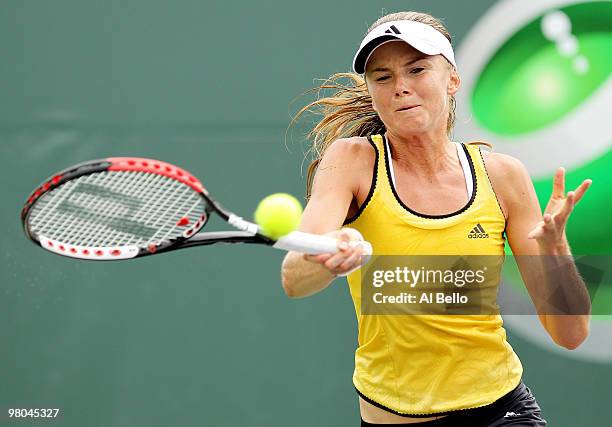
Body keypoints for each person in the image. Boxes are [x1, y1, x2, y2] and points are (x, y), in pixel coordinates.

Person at [281, 11, 592, 426]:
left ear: (452, 79)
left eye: (417, 69)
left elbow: (571, 333)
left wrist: (555, 251)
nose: (401, 87)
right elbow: (294, 279)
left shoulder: (503, 175)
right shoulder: (351, 162)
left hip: (503, 412)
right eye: (383, 76)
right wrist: (325, 258)